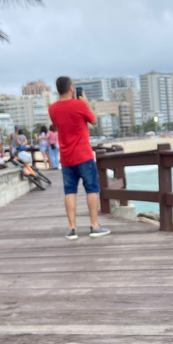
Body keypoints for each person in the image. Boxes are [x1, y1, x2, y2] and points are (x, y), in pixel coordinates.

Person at [49, 76, 110, 240]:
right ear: (71, 89)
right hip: (83, 155)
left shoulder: (52, 109)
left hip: (66, 157)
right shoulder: (80, 105)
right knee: (92, 189)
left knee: (70, 191)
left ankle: (72, 228)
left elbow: (57, 125)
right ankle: (94, 226)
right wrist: (86, 102)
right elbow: (94, 120)